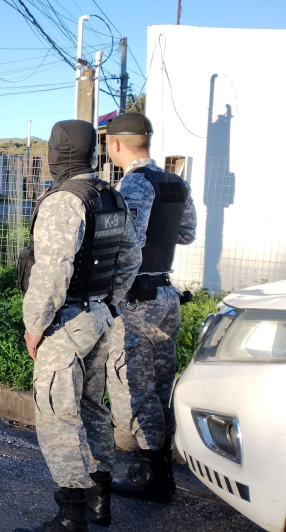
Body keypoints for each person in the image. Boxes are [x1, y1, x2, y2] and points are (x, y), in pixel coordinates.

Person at [15, 120, 141, 532]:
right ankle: (100, 503)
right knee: (91, 408)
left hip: (65, 324)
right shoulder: (111, 197)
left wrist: (35, 326)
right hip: (101, 317)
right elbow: (131, 260)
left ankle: (71, 517)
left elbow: (51, 272)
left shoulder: (64, 200)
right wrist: (110, 302)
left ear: (58, 154)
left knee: (57, 413)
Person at [104, 112, 197, 503]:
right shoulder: (177, 182)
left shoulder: (135, 184)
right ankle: (161, 472)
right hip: (166, 295)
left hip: (137, 301)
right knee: (160, 383)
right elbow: (187, 234)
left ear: (114, 145)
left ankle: (151, 474)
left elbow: (130, 242)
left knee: (134, 385)